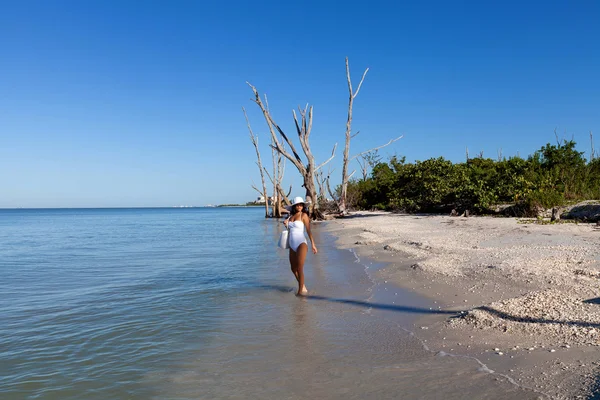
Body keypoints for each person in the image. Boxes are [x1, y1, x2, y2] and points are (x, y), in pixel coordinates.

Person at [283, 196, 318, 296]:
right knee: (293, 269)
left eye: (301, 204)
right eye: (297, 205)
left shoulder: (304, 216)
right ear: (294, 206)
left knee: (300, 268)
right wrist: (286, 223)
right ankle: (303, 286)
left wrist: (313, 245)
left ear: (303, 206)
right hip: (292, 245)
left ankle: (300, 293)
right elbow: (289, 229)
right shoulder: (290, 217)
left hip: (301, 243)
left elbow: (308, 230)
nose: (299, 206)